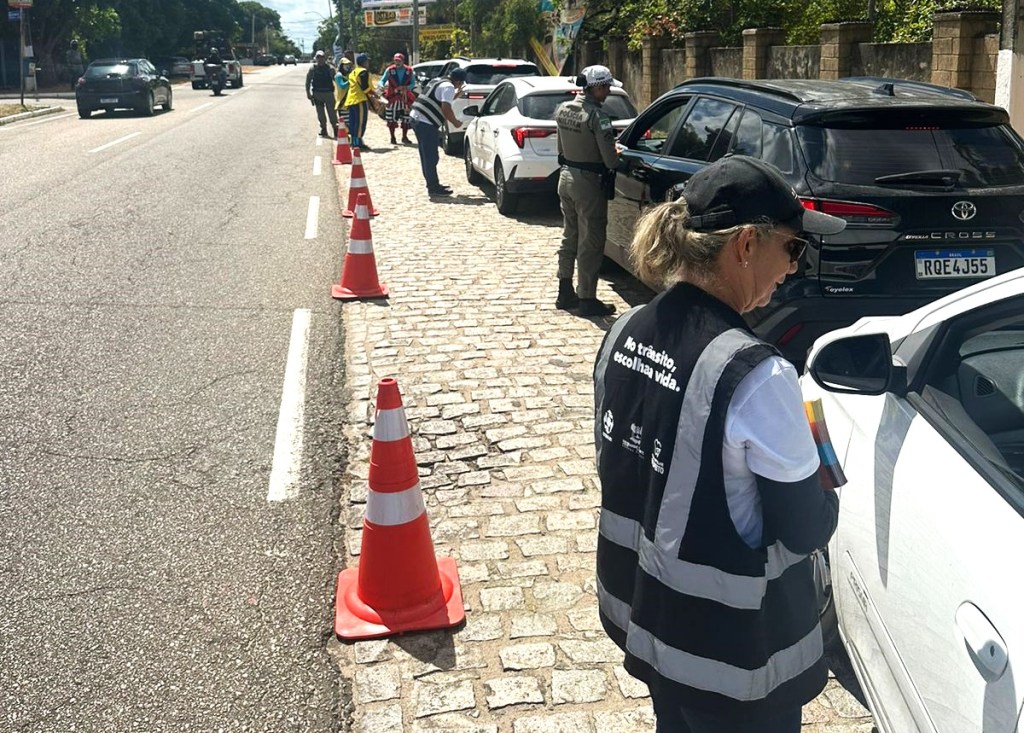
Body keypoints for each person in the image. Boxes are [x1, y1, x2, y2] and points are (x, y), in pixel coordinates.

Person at [593, 155, 847, 733]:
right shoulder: (758, 376)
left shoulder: (623, 332)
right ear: (746, 245)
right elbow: (805, 528)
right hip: (733, 663)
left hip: (650, 626)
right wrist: (824, 476)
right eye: (793, 248)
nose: (794, 267)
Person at [554, 65, 621, 317]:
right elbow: (610, 161)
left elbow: (561, 149)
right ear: (597, 87)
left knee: (569, 235)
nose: (608, 92)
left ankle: (564, 289)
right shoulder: (597, 116)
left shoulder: (563, 109)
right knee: (591, 241)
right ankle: (587, 298)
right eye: (607, 87)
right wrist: (616, 153)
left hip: (566, 176)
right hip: (588, 183)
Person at [408, 67, 467, 197]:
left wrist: (456, 96)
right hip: (425, 122)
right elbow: (445, 108)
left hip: (416, 117)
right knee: (431, 156)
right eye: (461, 82)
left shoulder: (437, 80)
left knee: (426, 154)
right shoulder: (449, 87)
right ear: (458, 81)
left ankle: (432, 183)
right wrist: (455, 123)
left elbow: (438, 99)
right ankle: (433, 187)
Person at [379, 53, 416, 145]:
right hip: (392, 97)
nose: (397, 62)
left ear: (403, 61)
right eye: (396, 60)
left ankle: (404, 136)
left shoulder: (409, 70)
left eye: (399, 60)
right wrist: (381, 85)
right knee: (391, 118)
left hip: (405, 97)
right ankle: (392, 137)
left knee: (406, 117)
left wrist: (406, 88)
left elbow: (413, 83)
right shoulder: (390, 70)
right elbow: (382, 80)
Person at [344, 53, 376, 151]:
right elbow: (365, 88)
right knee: (360, 122)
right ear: (364, 62)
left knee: (353, 122)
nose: (368, 63)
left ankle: (354, 142)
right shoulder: (363, 72)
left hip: (351, 100)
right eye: (367, 62)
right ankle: (357, 144)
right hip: (359, 99)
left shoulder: (353, 72)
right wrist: (374, 94)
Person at [305, 50, 338, 138]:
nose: (320, 59)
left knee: (332, 113)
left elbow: (337, 80)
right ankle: (323, 129)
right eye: (318, 57)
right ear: (316, 58)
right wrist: (308, 93)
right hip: (317, 94)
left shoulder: (330, 69)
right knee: (320, 114)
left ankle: (335, 129)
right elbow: (308, 82)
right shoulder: (313, 69)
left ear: (325, 58)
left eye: (322, 57)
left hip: (329, 93)